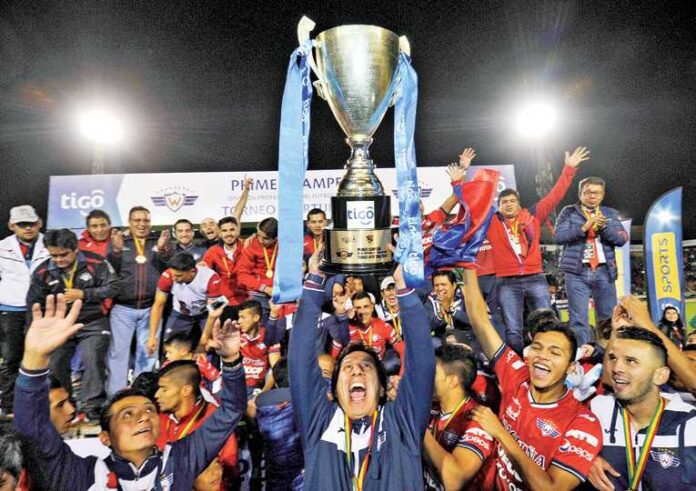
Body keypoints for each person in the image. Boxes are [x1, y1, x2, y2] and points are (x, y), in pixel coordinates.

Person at [13, 294, 247, 490]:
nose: (144, 417)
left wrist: (232, 361)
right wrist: (35, 359)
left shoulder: (181, 460)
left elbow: (231, 410)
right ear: (105, 437)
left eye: (149, 410)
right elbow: (33, 432)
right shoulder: (82, 476)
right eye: (128, 414)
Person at [288, 248, 435, 489]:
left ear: (382, 388)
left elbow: (421, 361)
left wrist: (403, 285)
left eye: (366, 366)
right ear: (334, 391)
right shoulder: (320, 423)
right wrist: (315, 280)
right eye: (347, 367)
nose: (356, 371)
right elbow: (300, 362)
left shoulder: (402, 422)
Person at [462, 267, 603, 489]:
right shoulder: (516, 375)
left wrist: (500, 433)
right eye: (537, 347)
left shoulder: (582, 423)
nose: (542, 356)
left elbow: (551, 488)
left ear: (571, 368)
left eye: (555, 352)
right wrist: (469, 266)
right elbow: (480, 321)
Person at [487, 147, 590, 354]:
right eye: (504, 202)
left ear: (519, 204)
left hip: (535, 278)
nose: (508, 205)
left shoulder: (532, 215)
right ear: (499, 206)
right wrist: (458, 181)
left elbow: (554, 196)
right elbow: (472, 207)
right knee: (513, 329)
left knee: (547, 324)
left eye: (512, 201)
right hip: (506, 282)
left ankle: (551, 357)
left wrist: (569, 169)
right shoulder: (491, 223)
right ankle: (519, 365)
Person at [26, 228, 119, 420]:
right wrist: (32, 332)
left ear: (75, 249)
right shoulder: (42, 271)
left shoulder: (96, 262)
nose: (58, 260)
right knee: (56, 363)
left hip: (92, 321)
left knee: (93, 358)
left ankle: (92, 405)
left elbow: (114, 287)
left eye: (63, 255)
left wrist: (85, 294)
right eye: (54, 255)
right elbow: (33, 303)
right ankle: (65, 404)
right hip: (59, 324)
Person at [588, 326, 696, 490]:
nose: (616, 368)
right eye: (613, 358)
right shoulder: (596, 410)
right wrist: (584, 457)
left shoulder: (690, 424)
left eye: (631, 361)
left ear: (660, 376)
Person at [554, 176, 629, 346]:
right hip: (576, 272)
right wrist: (584, 228)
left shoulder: (609, 213)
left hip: (604, 271)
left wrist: (604, 228)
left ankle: (606, 351)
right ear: (580, 194)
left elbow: (621, 239)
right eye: (588, 192)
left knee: (608, 318)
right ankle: (583, 355)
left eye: (597, 192)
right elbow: (559, 237)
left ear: (602, 195)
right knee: (578, 320)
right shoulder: (568, 212)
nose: (592, 196)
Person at [106, 206, 172, 394]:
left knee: (148, 353)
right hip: (122, 308)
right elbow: (108, 270)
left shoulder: (159, 242)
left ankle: (144, 394)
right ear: (129, 222)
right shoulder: (120, 242)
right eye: (137, 220)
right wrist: (116, 251)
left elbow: (172, 268)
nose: (142, 224)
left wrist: (163, 251)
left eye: (146, 220)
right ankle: (116, 396)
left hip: (151, 308)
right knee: (118, 355)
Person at [155, 360, 238, 489]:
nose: (157, 395)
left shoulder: (215, 420)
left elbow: (228, 467)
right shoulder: (158, 418)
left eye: (164, 389)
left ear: (185, 390)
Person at [422, 344, 494, 490]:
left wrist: (419, 427)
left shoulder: (477, 420)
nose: (425, 377)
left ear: (452, 381)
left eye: (433, 372)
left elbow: (454, 480)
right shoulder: (430, 407)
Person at [0, 205, 49, 416]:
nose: (28, 228)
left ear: (39, 223)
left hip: (40, 309)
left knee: (41, 357)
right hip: (10, 308)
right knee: (12, 358)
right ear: (11, 226)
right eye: (22, 224)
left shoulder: (49, 243)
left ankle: (40, 403)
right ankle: (9, 405)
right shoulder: (2, 247)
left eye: (31, 223)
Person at [148, 252, 222, 353]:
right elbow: (158, 305)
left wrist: (204, 338)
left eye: (178, 276)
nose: (174, 278)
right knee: (171, 348)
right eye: (173, 274)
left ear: (192, 271)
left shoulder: (212, 278)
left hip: (206, 314)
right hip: (180, 313)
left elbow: (214, 313)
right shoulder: (167, 275)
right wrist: (152, 336)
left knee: (209, 347)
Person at [255, 357, 304, 489]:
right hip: (301, 475)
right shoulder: (305, 401)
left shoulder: (261, 403)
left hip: (275, 474)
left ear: (275, 382)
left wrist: (268, 384)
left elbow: (258, 399)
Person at [331, 291, 405, 362]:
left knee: (393, 361)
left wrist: (402, 371)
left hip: (378, 366)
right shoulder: (343, 330)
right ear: (352, 310)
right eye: (358, 308)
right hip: (353, 367)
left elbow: (403, 350)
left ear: (372, 307)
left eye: (366, 306)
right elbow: (331, 358)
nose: (363, 311)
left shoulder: (384, 326)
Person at [202, 216, 247, 318]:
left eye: (232, 230)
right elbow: (203, 272)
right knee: (211, 313)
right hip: (223, 297)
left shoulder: (247, 246)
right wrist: (201, 268)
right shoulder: (213, 251)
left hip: (246, 295)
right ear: (219, 232)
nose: (228, 234)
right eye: (224, 231)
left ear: (237, 230)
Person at [236, 217, 279, 319]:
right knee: (259, 324)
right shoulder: (251, 245)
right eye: (259, 235)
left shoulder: (285, 245)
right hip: (258, 293)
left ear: (276, 237)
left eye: (265, 238)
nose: (260, 240)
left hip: (280, 292)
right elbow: (242, 274)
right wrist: (265, 288)